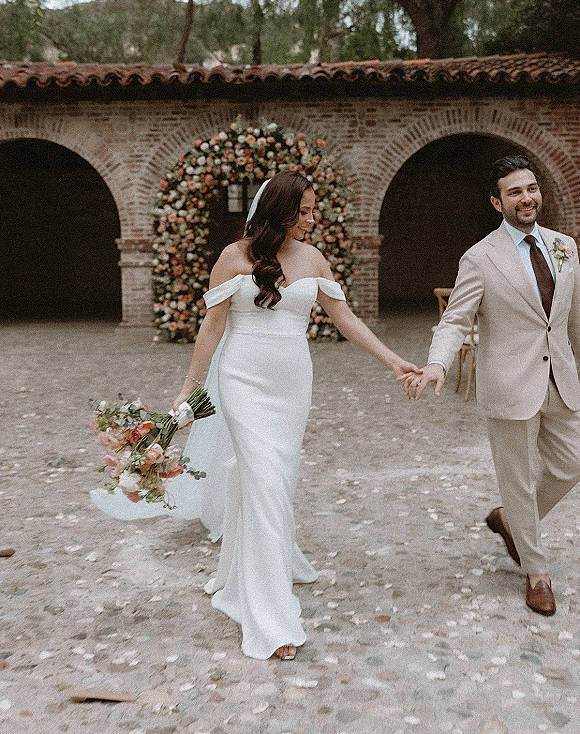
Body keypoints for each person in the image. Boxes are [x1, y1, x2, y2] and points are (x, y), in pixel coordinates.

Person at [172, 171, 418, 660]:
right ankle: (271, 617)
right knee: (263, 482)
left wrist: (395, 362)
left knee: (275, 483)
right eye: (302, 211)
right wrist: (186, 397)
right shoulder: (233, 256)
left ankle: (250, 566)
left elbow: (345, 319)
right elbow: (210, 332)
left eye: (312, 210)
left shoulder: (314, 259)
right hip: (241, 382)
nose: (310, 220)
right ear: (278, 212)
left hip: (291, 388)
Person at [403, 154, 580, 617]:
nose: (527, 198)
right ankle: (536, 573)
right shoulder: (480, 258)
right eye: (515, 192)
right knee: (518, 479)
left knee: (571, 464)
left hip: (560, 378)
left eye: (532, 188)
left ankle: (509, 521)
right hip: (509, 385)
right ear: (497, 202)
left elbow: (572, 319)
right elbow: (455, 320)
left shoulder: (565, 247)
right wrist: (438, 363)